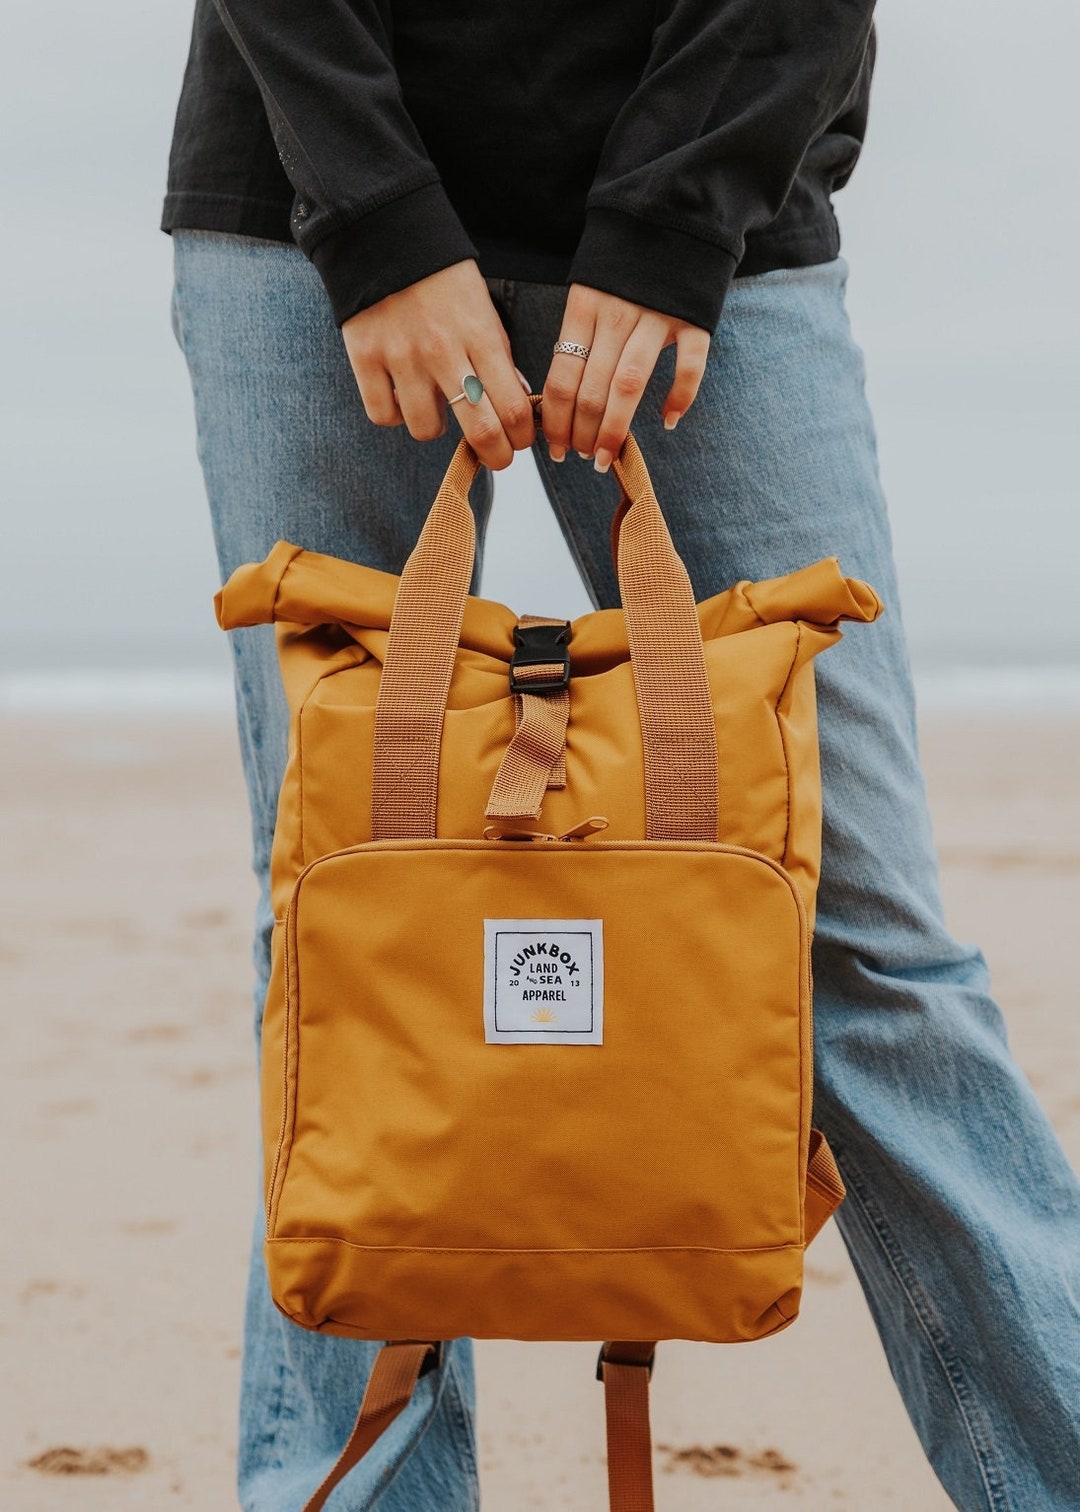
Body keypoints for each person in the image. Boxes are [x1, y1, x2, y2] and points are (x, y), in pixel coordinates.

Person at [162, 2, 1080, 1507]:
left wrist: (671, 217)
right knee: (345, 914)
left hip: (718, 217)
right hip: (317, 208)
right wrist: (378, 217)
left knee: (855, 928)